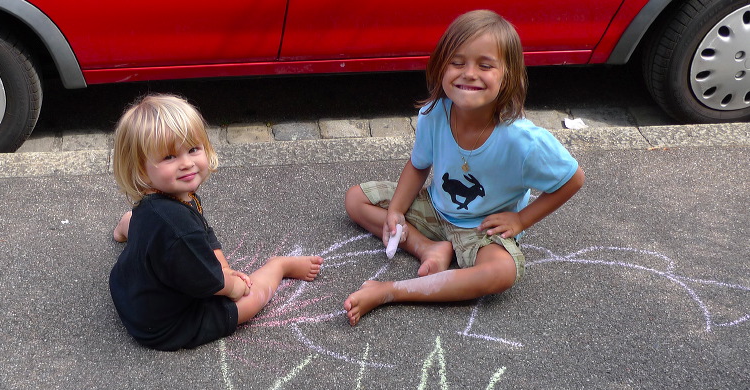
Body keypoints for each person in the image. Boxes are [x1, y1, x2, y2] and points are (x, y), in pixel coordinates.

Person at [343, 10, 585, 326]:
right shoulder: (434, 113)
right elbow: (418, 166)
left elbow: (572, 179)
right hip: (435, 208)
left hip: (482, 227)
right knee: (356, 199)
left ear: (508, 75)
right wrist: (397, 211)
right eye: (457, 62)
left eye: (485, 65)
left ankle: (391, 291)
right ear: (440, 66)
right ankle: (428, 248)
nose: (469, 73)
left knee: (501, 271)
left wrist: (520, 219)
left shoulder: (522, 140)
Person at [109, 94, 323, 350]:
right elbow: (204, 280)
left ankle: (123, 227)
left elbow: (204, 233)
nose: (186, 163)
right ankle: (279, 267)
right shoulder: (180, 230)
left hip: (126, 289)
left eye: (193, 149)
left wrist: (224, 266)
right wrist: (231, 285)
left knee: (142, 224)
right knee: (247, 300)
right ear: (141, 169)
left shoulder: (156, 199)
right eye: (169, 157)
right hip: (162, 326)